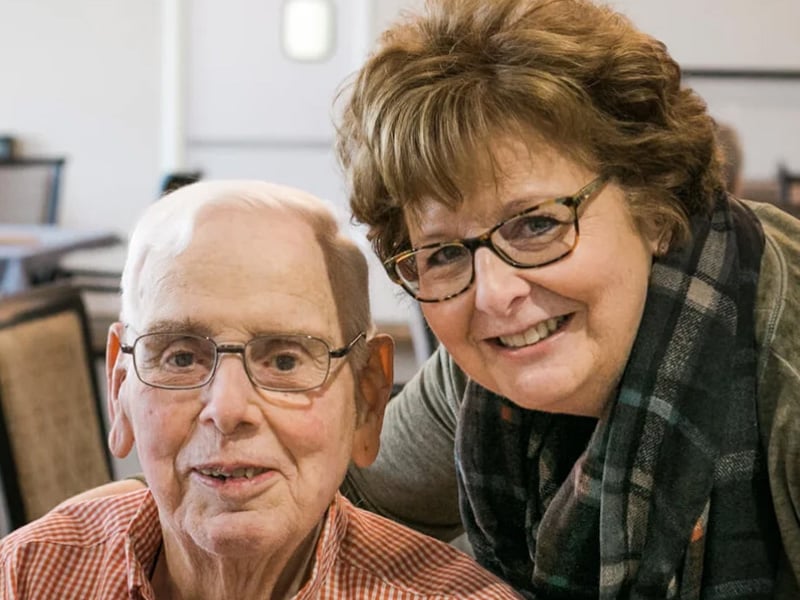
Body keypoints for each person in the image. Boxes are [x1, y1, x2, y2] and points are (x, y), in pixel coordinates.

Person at [54, 0, 800, 597]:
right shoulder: (481, 378)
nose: (496, 294)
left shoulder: (783, 383)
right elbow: (321, 483)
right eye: (444, 253)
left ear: (653, 203)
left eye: (538, 225)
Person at [0, 180, 522, 599]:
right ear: (120, 389)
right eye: (181, 357)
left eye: (285, 360)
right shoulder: (28, 574)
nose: (227, 409)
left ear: (366, 398)